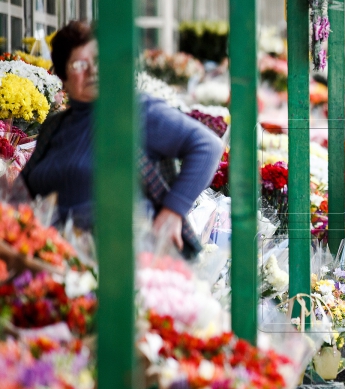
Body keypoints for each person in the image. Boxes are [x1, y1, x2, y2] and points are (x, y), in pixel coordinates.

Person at [20, 21, 223, 256]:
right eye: (78, 64)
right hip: (52, 259)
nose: (92, 70)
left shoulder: (137, 112)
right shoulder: (54, 127)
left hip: (121, 263)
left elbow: (208, 146)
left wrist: (173, 211)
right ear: (63, 76)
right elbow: (23, 190)